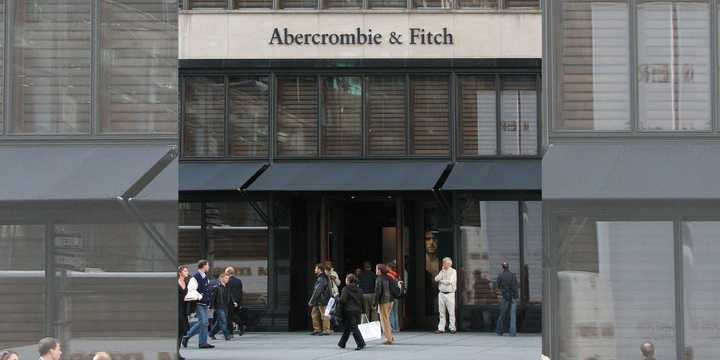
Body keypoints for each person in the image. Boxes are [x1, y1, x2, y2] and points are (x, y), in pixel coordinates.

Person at [182, 259, 215, 349]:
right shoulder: (195, 277)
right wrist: (200, 296)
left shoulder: (205, 277)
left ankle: (197, 340)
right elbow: (191, 290)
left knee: (204, 323)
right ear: (203, 266)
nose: (208, 267)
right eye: (207, 265)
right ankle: (199, 341)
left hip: (204, 303)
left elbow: (207, 290)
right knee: (204, 322)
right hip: (198, 303)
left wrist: (208, 301)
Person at [336, 274, 366, 351]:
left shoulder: (345, 289)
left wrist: (337, 299)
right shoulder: (360, 290)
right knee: (348, 328)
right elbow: (363, 301)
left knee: (353, 327)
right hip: (358, 311)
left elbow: (343, 300)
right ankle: (342, 343)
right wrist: (364, 311)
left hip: (349, 311)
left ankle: (361, 343)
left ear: (348, 280)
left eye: (346, 279)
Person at [210, 273, 237, 341]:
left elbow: (230, 295)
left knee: (219, 323)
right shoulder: (217, 287)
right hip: (219, 306)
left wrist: (234, 301)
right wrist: (212, 307)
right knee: (224, 321)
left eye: (228, 278)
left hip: (225, 306)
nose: (227, 280)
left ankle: (211, 333)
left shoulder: (227, 286)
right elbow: (213, 298)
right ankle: (226, 335)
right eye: (226, 278)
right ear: (221, 278)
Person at [434, 257, 457, 334]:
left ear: (449, 264)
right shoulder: (442, 271)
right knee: (441, 312)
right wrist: (442, 272)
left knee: (451, 312)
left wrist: (441, 281)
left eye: (445, 263)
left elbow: (449, 282)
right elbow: (436, 279)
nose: (444, 264)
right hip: (441, 293)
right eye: (443, 263)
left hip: (450, 294)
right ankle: (441, 328)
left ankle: (452, 328)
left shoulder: (453, 271)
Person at [308, 263, 332, 335]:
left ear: (319, 270)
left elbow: (317, 290)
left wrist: (311, 301)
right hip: (319, 300)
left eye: (316, 268)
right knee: (314, 314)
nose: (314, 270)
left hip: (322, 300)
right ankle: (317, 329)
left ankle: (326, 330)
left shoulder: (321, 278)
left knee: (324, 315)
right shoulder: (322, 277)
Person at [496, 261, 519, 337]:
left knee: (502, 314)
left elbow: (498, 286)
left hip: (504, 297)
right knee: (512, 316)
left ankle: (499, 331)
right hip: (512, 297)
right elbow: (515, 287)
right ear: (508, 267)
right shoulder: (513, 275)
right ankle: (512, 333)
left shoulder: (500, 276)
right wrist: (516, 297)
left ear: (502, 267)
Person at [375, 264, 395, 345]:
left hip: (384, 301)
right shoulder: (389, 276)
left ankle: (389, 338)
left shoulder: (379, 279)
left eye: (376, 269)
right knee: (387, 318)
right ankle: (390, 336)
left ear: (380, 270)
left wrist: (375, 303)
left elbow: (378, 292)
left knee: (384, 320)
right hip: (391, 300)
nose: (375, 271)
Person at [225, 266, 244, 337]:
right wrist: (240, 303)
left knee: (229, 317)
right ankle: (241, 326)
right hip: (238, 301)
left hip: (230, 302)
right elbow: (240, 293)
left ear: (227, 273)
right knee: (234, 316)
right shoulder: (238, 281)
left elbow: (228, 292)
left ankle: (230, 332)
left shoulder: (227, 281)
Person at [177, 265, 190, 359]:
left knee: (181, 332)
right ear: (180, 272)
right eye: (185, 271)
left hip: (183, 309)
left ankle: (177, 352)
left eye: (187, 270)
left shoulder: (186, 281)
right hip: (177, 309)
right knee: (178, 331)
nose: (187, 272)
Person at [386, 262, 400, 332]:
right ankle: (397, 327)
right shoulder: (396, 275)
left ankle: (393, 328)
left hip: (391, 295)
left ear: (389, 267)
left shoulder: (388, 275)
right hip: (396, 296)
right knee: (395, 312)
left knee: (390, 312)